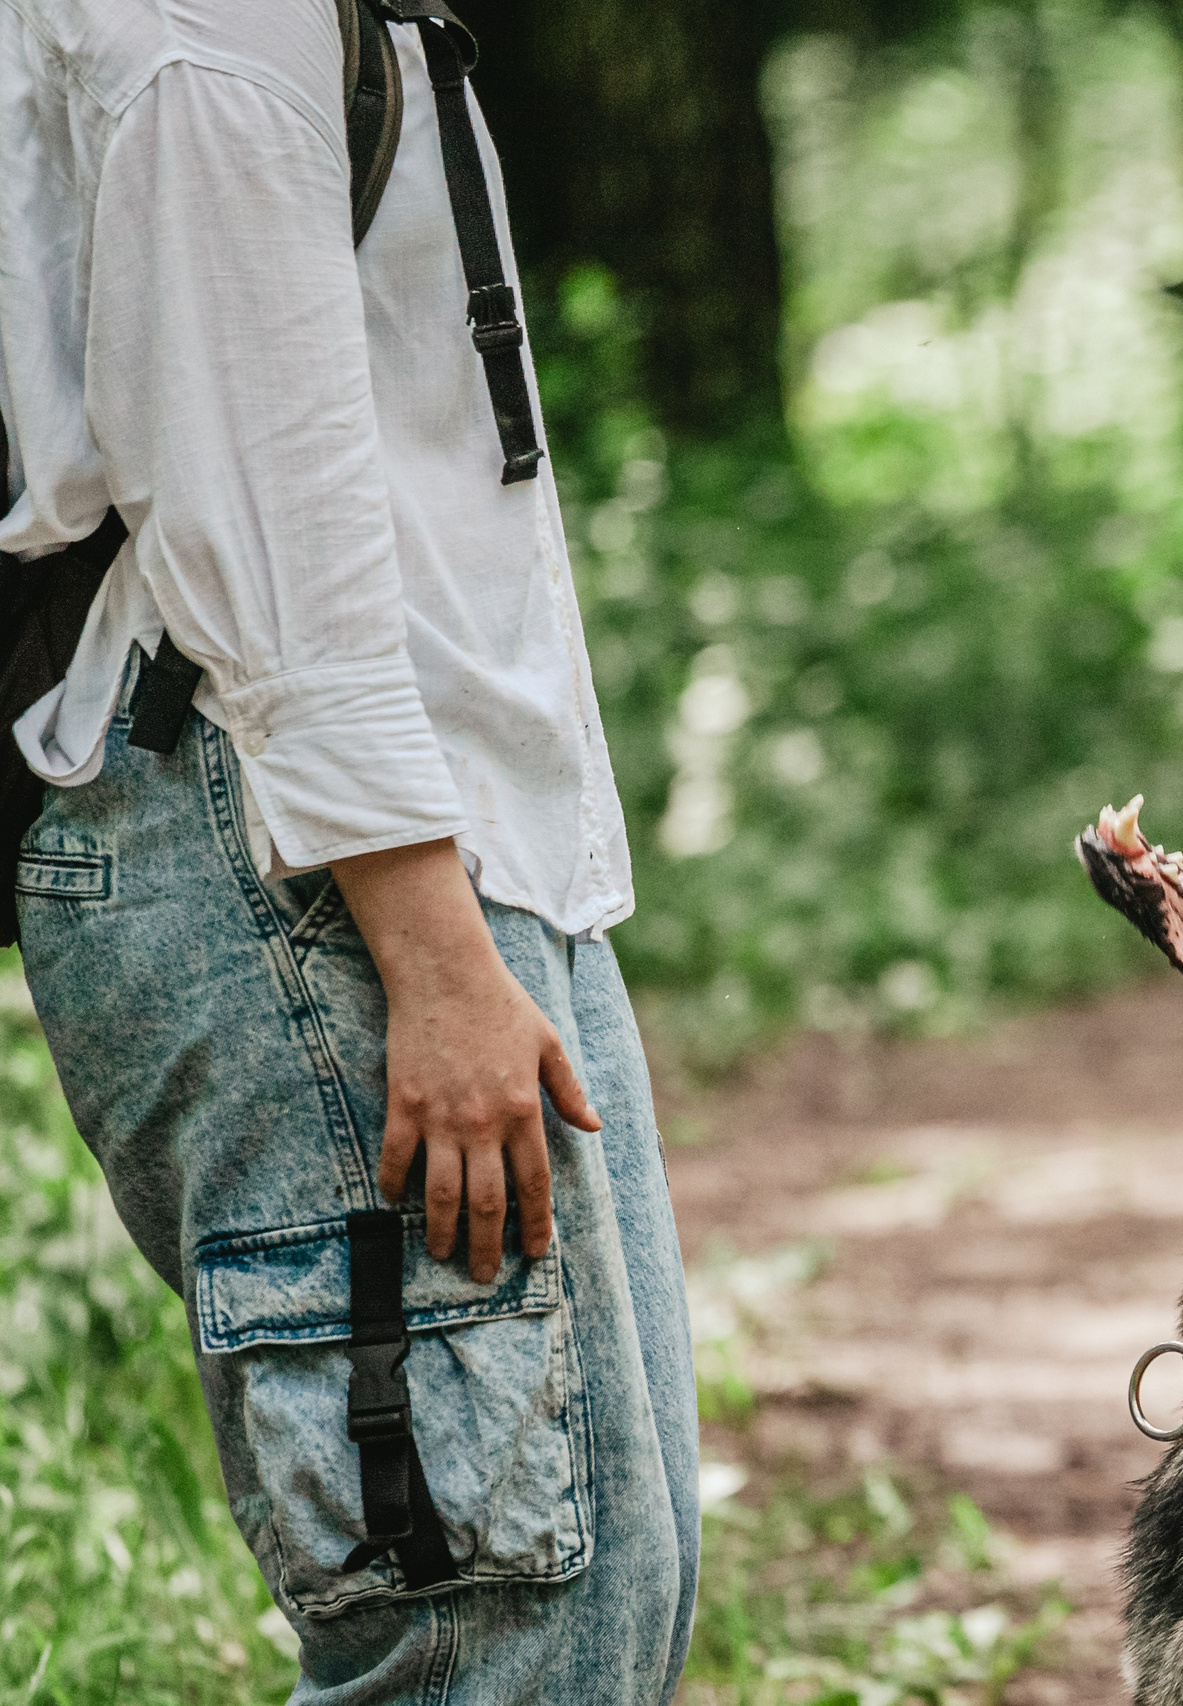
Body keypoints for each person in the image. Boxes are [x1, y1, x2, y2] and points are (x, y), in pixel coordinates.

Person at [0, 2, 697, 1700]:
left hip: (438, 841)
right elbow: (252, 507)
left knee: (604, 1577)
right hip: (299, 861)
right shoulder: (199, 13)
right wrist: (433, 949)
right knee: (492, 1626)